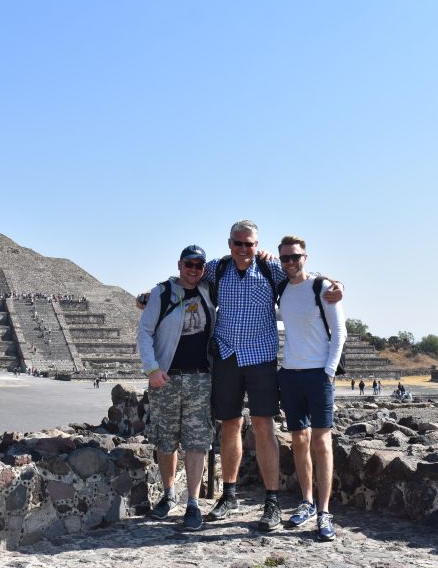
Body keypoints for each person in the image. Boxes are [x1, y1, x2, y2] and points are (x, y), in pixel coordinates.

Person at [136, 220, 343, 532]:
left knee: (263, 426)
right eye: (238, 243)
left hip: (260, 356)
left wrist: (336, 283)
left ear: (257, 245)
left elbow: (302, 273)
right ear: (229, 243)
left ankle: (271, 502)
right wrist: (147, 295)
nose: (244, 249)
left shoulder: (272, 270)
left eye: (249, 244)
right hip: (227, 355)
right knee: (229, 425)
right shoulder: (216, 268)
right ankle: (229, 495)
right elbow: (184, 276)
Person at [137, 245, 216, 532]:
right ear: (179, 265)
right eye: (189, 264)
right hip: (167, 378)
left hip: (200, 378)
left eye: (199, 265)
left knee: (197, 442)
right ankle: (169, 494)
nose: (194, 269)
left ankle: (193, 502)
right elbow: (144, 331)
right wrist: (152, 368)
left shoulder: (209, 290)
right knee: (166, 441)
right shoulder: (162, 293)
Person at [276, 235, 346, 542]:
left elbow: (340, 331)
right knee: (299, 440)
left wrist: (329, 372)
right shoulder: (281, 290)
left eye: (296, 257)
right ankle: (306, 501)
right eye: (285, 258)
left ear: (306, 257)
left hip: (318, 373)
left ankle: (324, 511)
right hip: (290, 374)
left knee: (322, 441)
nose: (291, 262)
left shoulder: (321, 288)